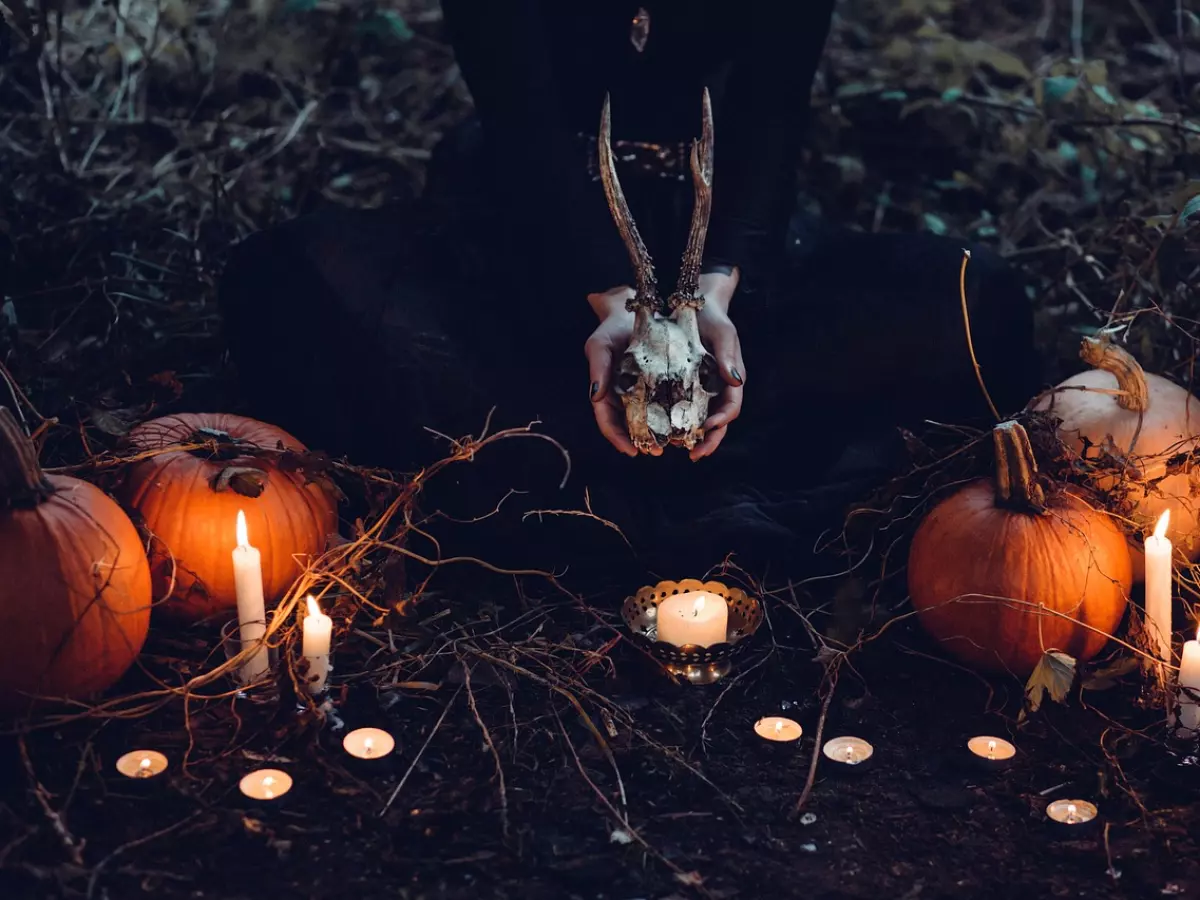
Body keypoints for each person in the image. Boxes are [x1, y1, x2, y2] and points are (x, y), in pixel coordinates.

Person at [218, 1, 1042, 573]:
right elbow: (519, 116)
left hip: (729, 238)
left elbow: (772, 108)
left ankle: (614, 466)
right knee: (287, 284)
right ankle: (668, 475)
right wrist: (608, 296)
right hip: (533, 230)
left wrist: (716, 289)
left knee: (978, 307)